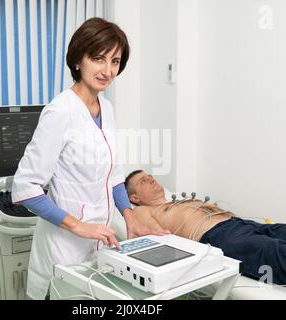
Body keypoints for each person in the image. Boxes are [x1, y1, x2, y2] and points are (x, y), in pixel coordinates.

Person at [11, 18, 168, 300]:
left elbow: (114, 176)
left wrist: (129, 217)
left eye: (115, 61)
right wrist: (79, 226)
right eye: (98, 58)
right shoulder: (60, 112)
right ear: (77, 60)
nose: (107, 70)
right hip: (63, 251)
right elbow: (25, 189)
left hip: (99, 246)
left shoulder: (105, 108)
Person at [124, 169, 286, 300]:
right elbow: (153, 236)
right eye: (143, 181)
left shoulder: (174, 201)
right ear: (134, 198)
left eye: (150, 176)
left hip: (241, 224)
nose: (151, 179)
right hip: (221, 238)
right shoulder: (142, 211)